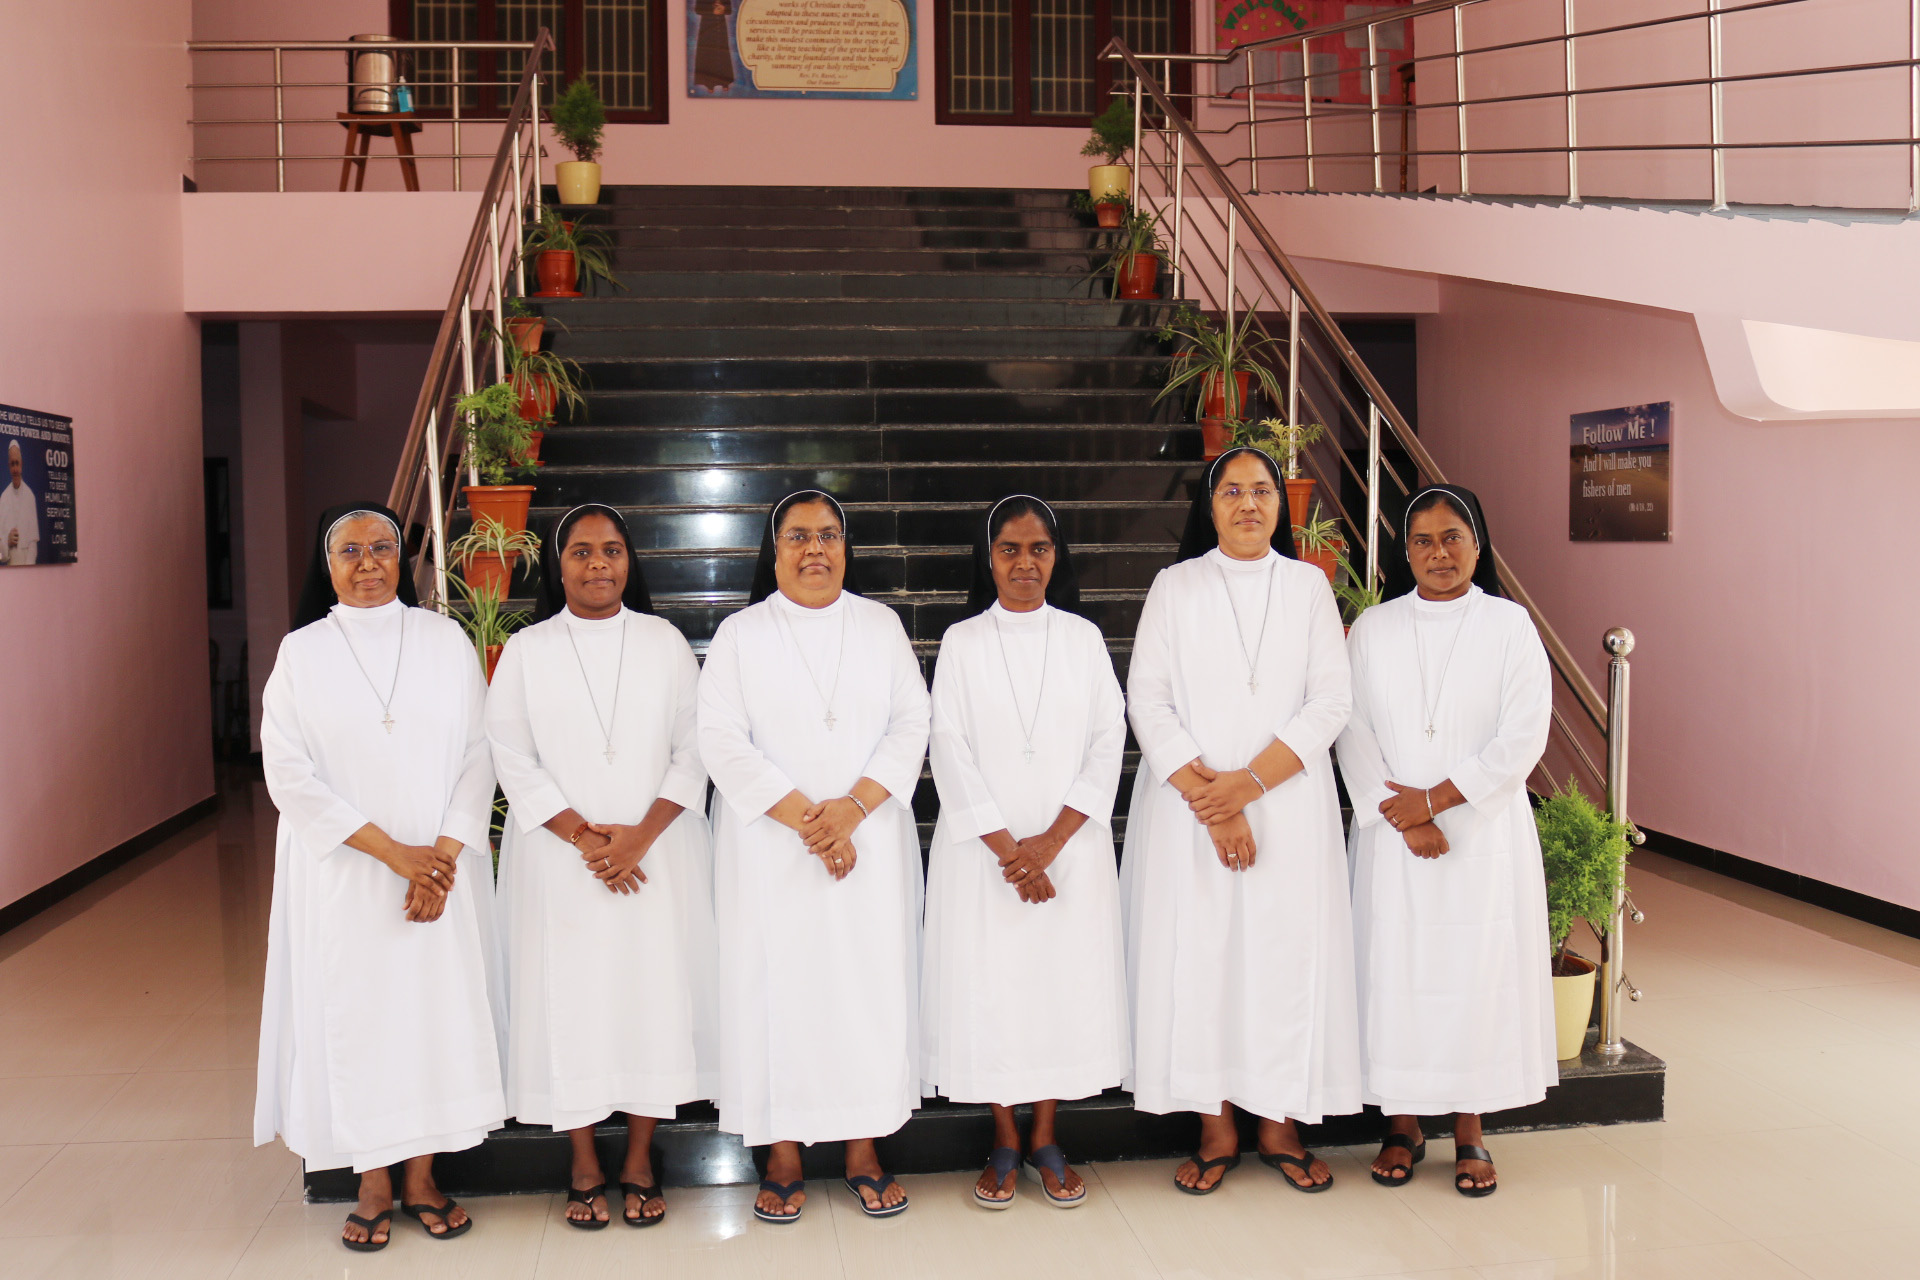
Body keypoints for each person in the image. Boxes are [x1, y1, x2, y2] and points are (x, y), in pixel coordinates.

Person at [255, 502, 505, 1252]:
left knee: (430, 1014)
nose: (367, 563)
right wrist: (397, 856)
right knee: (360, 1015)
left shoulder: (444, 638)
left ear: (404, 559)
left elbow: (479, 750)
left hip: (441, 869)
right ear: (326, 565)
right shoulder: (301, 652)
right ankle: (371, 1178)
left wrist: (442, 858)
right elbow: (288, 775)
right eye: (349, 550)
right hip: (346, 874)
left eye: (382, 548)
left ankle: (423, 1174)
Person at [1121, 447, 1359, 1195]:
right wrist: (1214, 802)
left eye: (1262, 490)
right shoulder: (1175, 585)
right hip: (1190, 813)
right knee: (1204, 961)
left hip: (1286, 805)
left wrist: (1247, 786)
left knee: (1280, 959)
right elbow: (1147, 699)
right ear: (1210, 505)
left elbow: (1330, 701)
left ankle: (1279, 1122)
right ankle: (1215, 1125)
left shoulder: (1309, 587)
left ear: (1280, 507)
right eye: (1232, 491)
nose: (1249, 503)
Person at [697, 490, 931, 1224]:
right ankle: (784, 1152)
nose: (815, 549)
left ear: (845, 546)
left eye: (828, 534)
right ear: (774, 552)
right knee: (777, 988)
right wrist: (812, 821)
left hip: (866, 841)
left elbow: (910, 721)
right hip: (772, 848)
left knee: (863, 986)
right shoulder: (741, 632)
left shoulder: (880, 625)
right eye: (797, 536)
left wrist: (850, 810)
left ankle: (863, 1146)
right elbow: (721, 739)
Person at [488, 503, 717, 1230]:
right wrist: (589, 839)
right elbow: (509, 753)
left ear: (630, 561)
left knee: (651, 994)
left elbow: (696, 747)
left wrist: (638, 838)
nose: (598, 565)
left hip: (657, 852)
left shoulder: (665, 642)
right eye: (582, 552)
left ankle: (641, 1159)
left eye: (611, 550)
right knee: (573, 1000)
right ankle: (584, 1161)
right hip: (561, 860)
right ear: (559, 567)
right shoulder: (527, 649)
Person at [1336, 484, 1554, 1198]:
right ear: (1405, 552)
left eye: (1453, 537)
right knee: (1396, 972)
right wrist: (1404, 816)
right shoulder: (1372, 629)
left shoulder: (1510, 625)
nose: (1439, 553)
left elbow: (1521, 738)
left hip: (1481, 837)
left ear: (1478, 544)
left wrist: (1438, 807)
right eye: (1423, 541)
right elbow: (1351, 728)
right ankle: (1401, 1123)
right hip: (1394, 838)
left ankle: (1469, 1128)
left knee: (1474, 976)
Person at [921, 496, 1129, 1210]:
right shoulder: (962, 642)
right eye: (1009, 549)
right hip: (987, 860)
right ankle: (1004, 1135)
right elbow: (947, 746)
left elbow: (1110, 740)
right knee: (996, 991)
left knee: (1058, 990)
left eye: (1038, 549)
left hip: (1069, 850)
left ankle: (1046, 1136)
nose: (1024, 562)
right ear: (989, 558)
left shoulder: (1082, 639)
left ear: (1055, 557)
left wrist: (1051, 841)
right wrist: (1011, 849)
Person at [0, 440, 38, 565]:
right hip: (10, 572)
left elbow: (33, 543)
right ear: (9, 466)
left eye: (17, 463)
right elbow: (0, 556)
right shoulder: (3, 499)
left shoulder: (29, 496)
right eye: (12, 464)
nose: (15, 469)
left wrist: (27, 569)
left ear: (21, 464)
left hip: (28, 567)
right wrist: (6, 543)